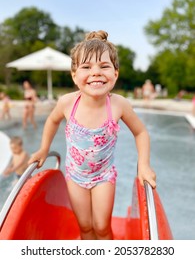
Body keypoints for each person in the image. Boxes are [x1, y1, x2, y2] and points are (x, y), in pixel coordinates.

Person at [28, 30, 156, 240]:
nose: (96, 72)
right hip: (75, 176)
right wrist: (44, 148)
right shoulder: (67, 103)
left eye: (104, 66)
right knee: (85, 227)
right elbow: (52, 121)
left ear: (115, 73)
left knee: (102, 226)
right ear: (74, 75)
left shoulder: (118, 105)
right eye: (86, 67)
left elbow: (141, 132)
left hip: (103, 176)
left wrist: (143, 164)